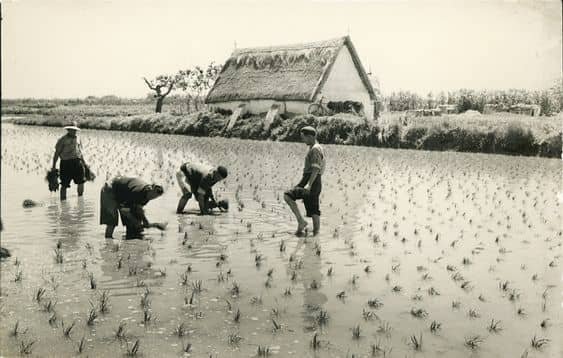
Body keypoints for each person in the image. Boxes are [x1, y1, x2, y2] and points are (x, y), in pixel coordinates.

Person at [284, 126, 325, 236]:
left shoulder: (315, 149)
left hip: (311, 180)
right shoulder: (317, 147)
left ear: (310, 136)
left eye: (304, 137)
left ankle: (301, 222)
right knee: (314, 209)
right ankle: (316, 236)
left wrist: (308, 185)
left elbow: (316, 168)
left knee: (287, 195)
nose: (303, 140)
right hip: (316, 181)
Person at [100, 176, 167, 239]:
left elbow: (138, 209)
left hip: (122, 194)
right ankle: (108, 243)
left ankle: (130, 240)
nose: (152, 198)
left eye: (154, 197)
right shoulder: (137, 192)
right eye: (152, 195)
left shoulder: (147, 194)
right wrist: (135, 221)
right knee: (112, 222)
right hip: (109, 190)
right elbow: (124, 210)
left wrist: (145, 221)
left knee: (133, 224)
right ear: (150, 189)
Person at [52, 121, 87, 201]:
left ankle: (80, 199)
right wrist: (53, 167)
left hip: (77, 163)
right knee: (64, 184)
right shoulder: (62, 140)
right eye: (71, 130)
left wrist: (84, 163)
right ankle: (63, 202)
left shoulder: (78, 139)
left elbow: (80, 152)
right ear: (68, 130)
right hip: (66, 164)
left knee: (81, 182)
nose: (73, 131)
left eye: (75, 130)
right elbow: (56, 153)